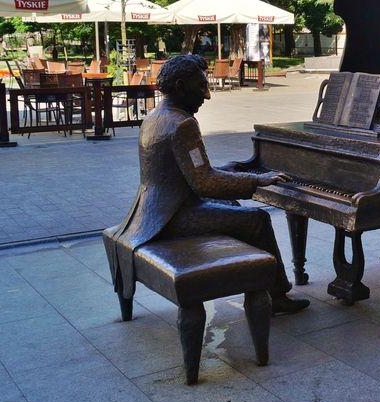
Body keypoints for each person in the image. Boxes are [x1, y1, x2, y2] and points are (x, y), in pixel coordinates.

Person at [104, 54, 309, 315]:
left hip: (153, 211)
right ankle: (276, 294)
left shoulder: (155, 116)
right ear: (180, 86)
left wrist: (228, 170)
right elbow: (205, 184)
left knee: (231, 205)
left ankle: (255, 278)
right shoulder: (183, 124)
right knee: (257, 219)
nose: (207, 95)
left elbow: (192, 173)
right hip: (172, 217)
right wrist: (257, 180)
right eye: (201, 87)